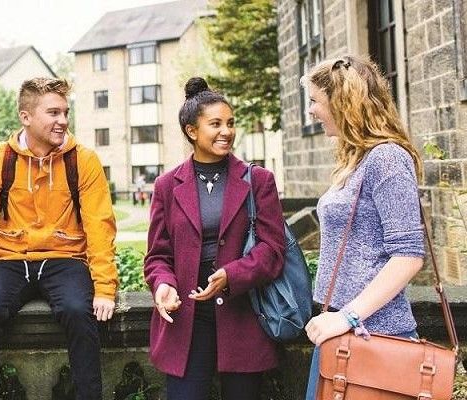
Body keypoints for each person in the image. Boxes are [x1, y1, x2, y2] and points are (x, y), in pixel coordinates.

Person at [0, 77, 118, 400]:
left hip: (65, 259)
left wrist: (105, 289)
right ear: (26, 117)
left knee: (77, 310)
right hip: (12, 260)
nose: (63, 121)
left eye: (65, 113)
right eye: (53, 113)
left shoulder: (83, 160)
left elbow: (101, 228)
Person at [144, 77, 286, 400]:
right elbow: (157, 256)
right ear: (192, 131)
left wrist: (231, 275)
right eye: (216, 124)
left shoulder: (258, 180)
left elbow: (273, 249)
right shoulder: (167, 186)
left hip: (243, 320)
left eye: (231, 123)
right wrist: (163, 284)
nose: (227, 131)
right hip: (186, 326)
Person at [301, 55, 425, 399]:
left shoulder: (387, 158)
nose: (310, 111)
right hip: (339, 333)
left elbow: (409, 256)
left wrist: (347, 318)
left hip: (375, 339)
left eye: (315, 101)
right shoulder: (357, 159)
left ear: (342, 103)